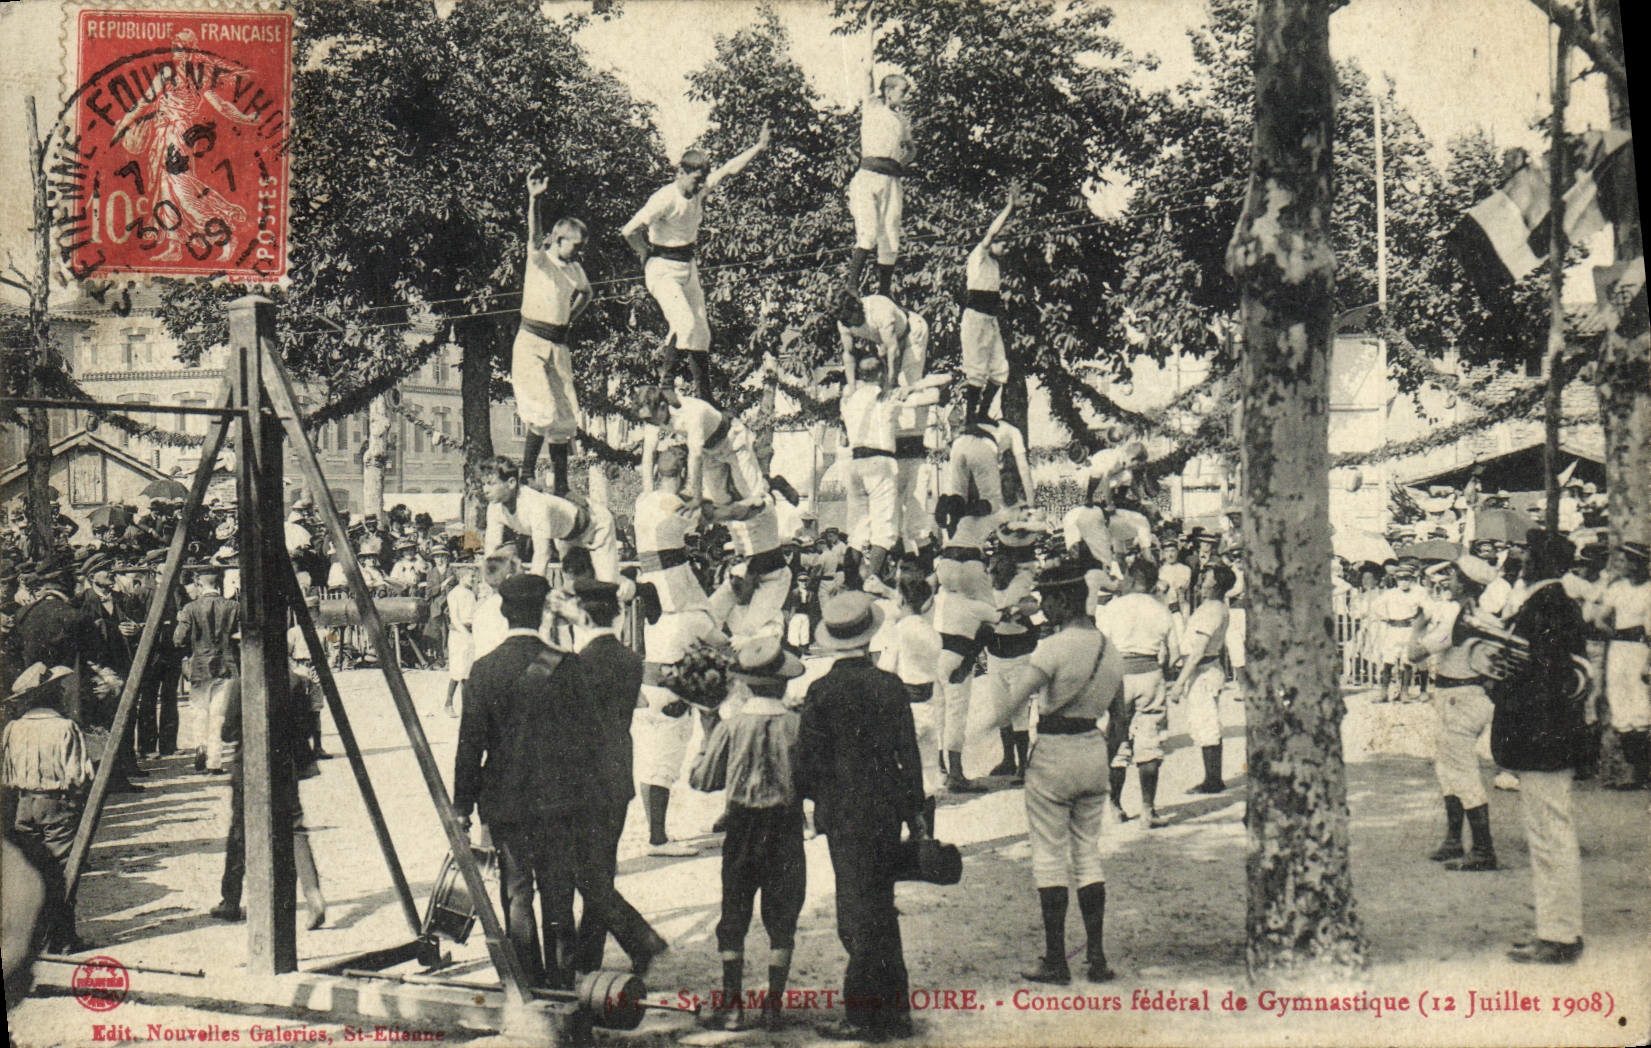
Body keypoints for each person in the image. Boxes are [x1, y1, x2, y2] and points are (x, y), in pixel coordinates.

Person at [454, 574, 667, 988]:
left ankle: (526, 979)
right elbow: (586, 739)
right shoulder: (566, 665)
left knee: (517, 891)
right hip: (561, 800)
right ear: (542, 613)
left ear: (503, 611)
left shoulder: (482, 670)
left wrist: (462, 804)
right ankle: (561, 978)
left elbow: (469, 746)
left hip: (505, 801)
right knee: (558, 893)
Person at [987, 562, 1124, 985]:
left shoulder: (1053, 648)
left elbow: (1015, 701)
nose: (1043, 606)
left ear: (1064, 600)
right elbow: (1119, 719)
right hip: (1093, 750)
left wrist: (988, 722)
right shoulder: (1109, 647)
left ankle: (1055, 960)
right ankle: (1097, 957)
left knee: (1049, 856)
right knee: (1087, 855)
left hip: (1054, 753)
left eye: (1048, 598)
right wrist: (1105, 752)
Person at [797, 592, 925, 1042]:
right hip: (886, 809)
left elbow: (807, 764)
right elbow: (908, 755)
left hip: (844, 814)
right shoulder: (890, 686)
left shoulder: (822, 691)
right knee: (881, 906)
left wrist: (814, 801)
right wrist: (916, 814)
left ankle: (863, 1015)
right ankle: (896, 1010)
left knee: (855, 912)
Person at [692, 637, 807, 1033]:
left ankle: (732, 1006)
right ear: (783, 683)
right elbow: (813, 778)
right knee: (782, 915)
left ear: (745, 684)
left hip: (741, 827)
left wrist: (708, 733)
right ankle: (773, 1007)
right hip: (786, 826)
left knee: (734, 914)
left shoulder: (731, 726)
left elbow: (702, 779)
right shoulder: (797, 724)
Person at [1489, 531, 1590, 964]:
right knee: (1549, 836)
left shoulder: (1548, 605)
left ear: (1544, 561)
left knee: (1550, 838)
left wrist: (1501, 683)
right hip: (1547, 737)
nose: (1521, 558)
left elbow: (1544, 678)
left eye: (1527, 552)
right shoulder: (1551, 602)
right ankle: (1557, 930)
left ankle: (1560, 936)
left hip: (1542, 737)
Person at [622, 124, 771, 397]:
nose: (699, 186)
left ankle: (705, 394)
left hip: (687, 267)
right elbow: (629, 230)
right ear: (680, 173)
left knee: (701, 334)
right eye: (694, 180)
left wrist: (759, 147)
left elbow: (728, 169)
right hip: (662, 268)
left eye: (702, 180)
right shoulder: (664, 199)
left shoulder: (700, 189)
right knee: (684, 324)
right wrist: (643, 252)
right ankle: (665, 385)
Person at [565, 578, 647, 976]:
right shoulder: (630, 660)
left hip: (582, 779)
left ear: (581, 614)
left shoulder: (576, 664)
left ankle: (638, 939)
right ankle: (589, 956)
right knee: (601, 867)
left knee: (582, 871)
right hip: (618, 772)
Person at [210, 673, 326, 929]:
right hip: (285, 765)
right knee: (295, 828)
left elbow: (228, 732)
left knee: (240, 831)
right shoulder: (296, 681)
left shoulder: (240, 683)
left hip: (248, 767)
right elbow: (306, 728)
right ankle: (313, 893)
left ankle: (230, 900)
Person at [1410, 555, 1501, 870]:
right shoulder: (1484, 615)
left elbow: (1414, 653)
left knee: (1460, 771)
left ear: (1464, 584)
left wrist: (1417, 626)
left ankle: (1483, 850)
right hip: (1470, 696)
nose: (1446, 582)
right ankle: (1453, 840)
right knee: (1447, 769)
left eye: (1451, 577)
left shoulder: (1456, 616)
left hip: (1457, 698)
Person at [2, 664, 95, 952]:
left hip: (23, 804)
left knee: (30, 872)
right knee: (62, 871)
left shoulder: (13, 729)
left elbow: (5, 775)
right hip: (56, 804)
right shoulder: (65, 728)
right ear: (51, 694)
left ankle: (32, 937)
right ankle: (62, 938)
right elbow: (80, 775)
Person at [513, 171, 592, 494]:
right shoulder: (540, 260)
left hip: (558, 346)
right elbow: (533, 235)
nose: (577, 251)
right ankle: (526, 472)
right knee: (541, 411)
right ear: (558, 239)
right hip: (531, 343)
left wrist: (569, 318)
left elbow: (587, 293)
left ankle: (561, 483)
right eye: (574, 245)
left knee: (564, 419)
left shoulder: (574, 268)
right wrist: (535, 199)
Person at [1095, 557, 1178, 827]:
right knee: (1149, 741)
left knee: (1117, 740)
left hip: (1119, 674)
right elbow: (1174, 654)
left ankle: (1115, 807)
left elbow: (1100, 648)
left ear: (1131, 578)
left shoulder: (1113, 608)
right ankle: (1147, 810)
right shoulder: (1161, 610)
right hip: (1150, 672)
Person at [845, 20, 913, 299]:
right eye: (901, 91)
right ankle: (851, 286)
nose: (905, 96)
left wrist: (903, 162)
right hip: (869, 176)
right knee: (869, 232)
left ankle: (885, 294)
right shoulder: (872, 107)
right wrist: (869, 30)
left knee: (890, 239)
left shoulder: (902, 120)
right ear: (888, 91)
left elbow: (911, 149)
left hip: (892, 179)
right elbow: (867, 71)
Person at [481, 456, 620, 583]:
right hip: (566, 537)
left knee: (607, 583)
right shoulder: (494, 508)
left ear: (511, 483)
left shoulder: (536, 503)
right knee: (573, 588)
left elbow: (542, 552)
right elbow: (491, 549)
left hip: (595, 525)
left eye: (491, 483)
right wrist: (487, 584)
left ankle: (633, 586)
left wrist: (531, 592)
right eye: (484, 484)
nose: (485, 490)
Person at [1584, 541, 1649, 790]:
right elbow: (1598, 617)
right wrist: (1609, 630)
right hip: (1618, 647)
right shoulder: (1618, 588)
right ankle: (1631, 771)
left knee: (1639, 704)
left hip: (1640, 649)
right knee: (1619, 703)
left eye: (1632, 561)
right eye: (1625, 560)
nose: (1628, 565)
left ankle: (1640, 772)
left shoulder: (1649, 589)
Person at [636, 388, 768, 512]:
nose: (648, 422)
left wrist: (696, 498)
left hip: (732, 441)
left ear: (663, 407)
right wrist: (648, 493)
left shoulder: (692, 413)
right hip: (709, 450)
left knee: (753, 496)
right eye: (645, 419)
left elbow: (695, 456)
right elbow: (648, 454)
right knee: (720, 502)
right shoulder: (653, 419)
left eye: (649, 418)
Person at [1168, 563, 1234, 794]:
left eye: (1207, 577)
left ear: (1215, 583)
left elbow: (1198, 651)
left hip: (1203, 671)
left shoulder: (1213, 610)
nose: (1203, 580)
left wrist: (1177, 685)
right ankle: (1212, 778)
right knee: (1203, 723)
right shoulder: (1211, 607)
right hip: (1203, 670)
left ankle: (1213, 780)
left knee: (1207, 725)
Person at [960, 183, 1019, 426]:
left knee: (999, 370)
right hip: (974, 318)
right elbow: (992, 233)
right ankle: (970, 418)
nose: (1006, 248)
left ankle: (983, 412)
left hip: (989, 320)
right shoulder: (979, 256)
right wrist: (1009, 207)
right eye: (1003, 243)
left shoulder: (995, 265)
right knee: (975, 371)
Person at [173, 569, 239, 774]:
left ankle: (200, 747)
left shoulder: (190, 608)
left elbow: (178, 639)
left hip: (200, 666)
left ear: (199, 584)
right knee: (218, 716)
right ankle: (214, 762)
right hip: (226, 665)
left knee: (200, 712)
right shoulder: (233, 606)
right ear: (219, 584)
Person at [837, 294, 929, 395]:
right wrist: (852, 388)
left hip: (911, 332)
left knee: (908, 384)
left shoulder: (879, 308)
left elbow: (893, 349)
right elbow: (849, 354)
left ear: (856, 308)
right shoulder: (844, 321)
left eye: (849, 317)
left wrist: (890, 385)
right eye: (844, 320)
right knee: (883, 389)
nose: (848, 322)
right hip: (888, 342)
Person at [443, 561, 479, 718]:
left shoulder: (471, 594)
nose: (473, 579)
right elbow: (455, 619)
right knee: (458, 670)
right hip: (459, 635)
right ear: (463, 577)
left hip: (471, 633)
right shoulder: (454, 594)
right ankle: (448, 703)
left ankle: (467, 707)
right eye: (471, 576)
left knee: (468, 671)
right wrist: (466, 634)